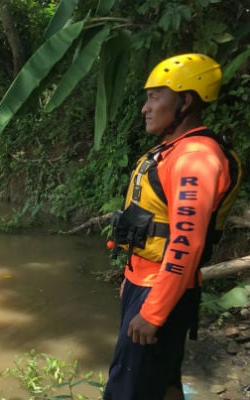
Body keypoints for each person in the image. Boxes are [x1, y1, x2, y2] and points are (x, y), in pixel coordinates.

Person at [103, 53, 243, 399]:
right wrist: (130, 279)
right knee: (162, 384)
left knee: (128, 391)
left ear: (185, 100)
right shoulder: (174, 150)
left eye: (154, 97)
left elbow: (186, 244)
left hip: (160, 290)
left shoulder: (195, 158)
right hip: (147, 283)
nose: (145, 108)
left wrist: (153, 311)